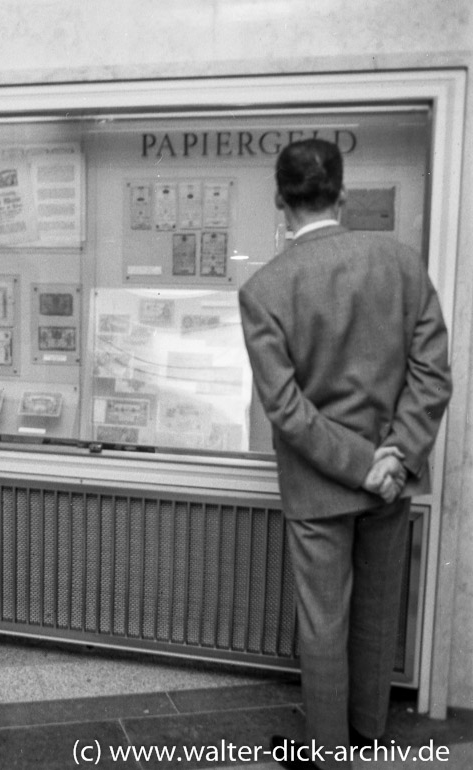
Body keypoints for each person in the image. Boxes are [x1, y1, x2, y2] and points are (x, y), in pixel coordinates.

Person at [238, 139, 452, 769]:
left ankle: (329, 753)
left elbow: (287, 409)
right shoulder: (401, 263)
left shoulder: (264, 289)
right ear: (344, 193)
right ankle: (368, 732)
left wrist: (360, 464)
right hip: (391, 481)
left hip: (319, 486)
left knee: (323, 622)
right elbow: (433, 376)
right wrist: (395, 458)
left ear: (279, 199)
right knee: (378, 609)